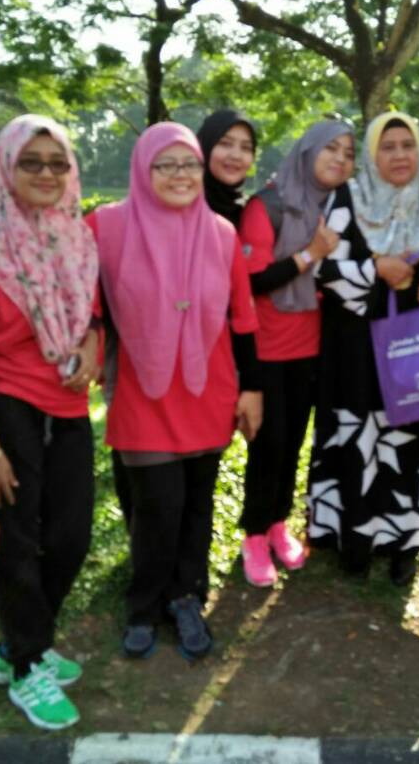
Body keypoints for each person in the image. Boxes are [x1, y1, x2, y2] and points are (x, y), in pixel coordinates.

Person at [90, 122, 262, 661]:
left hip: (209, 389)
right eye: (166, 164)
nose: (180, 175)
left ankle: (187, 596)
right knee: (155, 508)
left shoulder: (222, 233)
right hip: (142, 392)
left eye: (189, 164)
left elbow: (243, 317)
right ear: (143, 169)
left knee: (196, 506)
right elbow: (84, 298)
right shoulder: (106, 226)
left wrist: (252, 387)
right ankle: (144, 605)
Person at [0, 115, 101, 730]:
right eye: (30, 162)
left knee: (70, 538)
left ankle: (17, 644)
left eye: (57, 162)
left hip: (69, 408)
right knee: (17, 543)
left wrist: (92, 343)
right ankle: (27, 664)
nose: (46, 173)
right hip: (9, 408)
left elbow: (94, 314)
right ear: (6, 167)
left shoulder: (79, 240)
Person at [307, 111, 419, 585]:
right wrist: (375, 269)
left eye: (408, 145)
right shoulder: (346, 199)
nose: (399, 155)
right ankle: (354, 538)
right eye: (388, 147)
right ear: (372, 155)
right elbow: (323, 270)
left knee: (409, 433)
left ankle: (406, 541)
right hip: (355, 346)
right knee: (359, 434)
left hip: (413, 340)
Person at [235, 121, 344, 586]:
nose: (339, 159)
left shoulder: (340, 205)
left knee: (294, 443)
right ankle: (254, 534)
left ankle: (278, 524)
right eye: (330, 148)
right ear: (307, 152)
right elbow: (251, 280)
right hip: (268, 349)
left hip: (313, 349)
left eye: (348, 152)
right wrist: (310, 254)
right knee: (269, 444)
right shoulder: (269, 205)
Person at [197, 109, 257, 228]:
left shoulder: (252, 214)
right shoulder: (181, 205)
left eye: (246, 147)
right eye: (225, 143)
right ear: (205, 147)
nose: (236, 156)